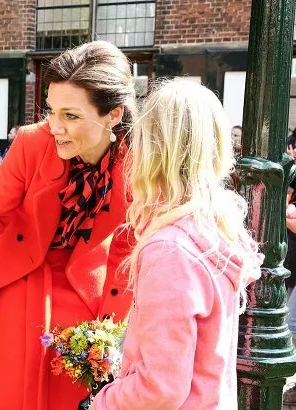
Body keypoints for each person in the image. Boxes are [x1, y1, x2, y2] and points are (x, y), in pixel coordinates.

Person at [0, 40, 137, 409]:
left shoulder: (135, 163)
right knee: (3, 385)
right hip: (16, 274)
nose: (56, 127)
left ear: (113, 114)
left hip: (83, 291)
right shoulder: (33, 142)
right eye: (51, 111)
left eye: (72, 115)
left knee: (72, 393)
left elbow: (126, 252)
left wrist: (108, 329)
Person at [92, 80, 262, 408]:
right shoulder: (211, 228)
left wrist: (102, 402)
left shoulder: (170, 249)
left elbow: (161, 387)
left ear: (152, 148)